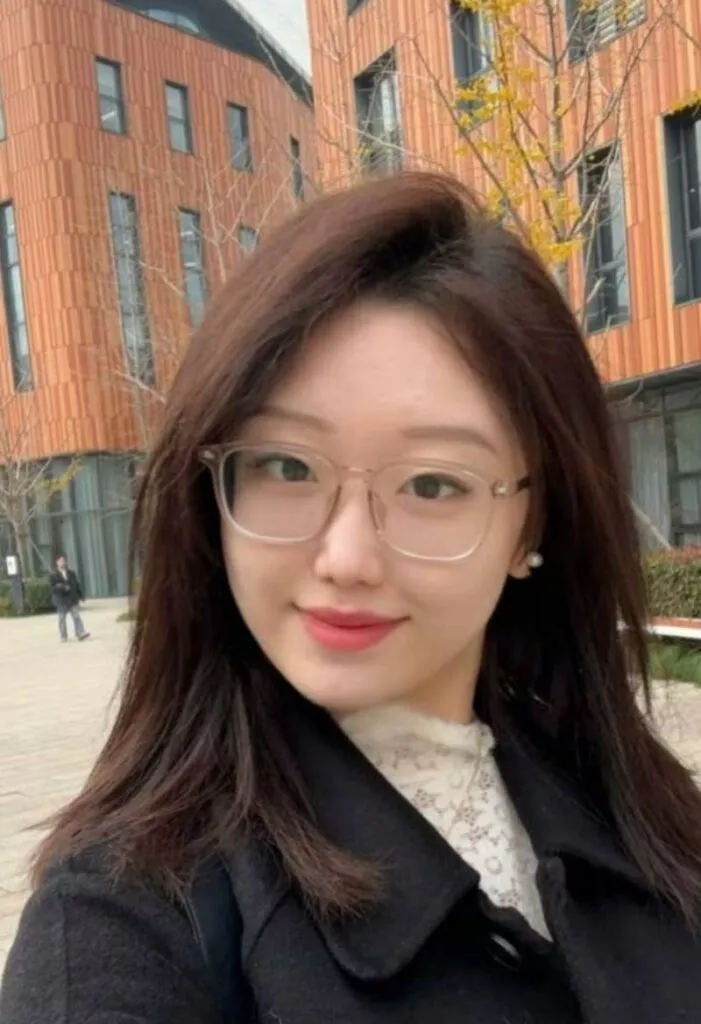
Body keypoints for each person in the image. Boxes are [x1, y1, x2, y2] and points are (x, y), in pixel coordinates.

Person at [2, 173, 700, 1024]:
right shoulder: (127, 915)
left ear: (531, 522)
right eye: (287, 467)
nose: (345, 558)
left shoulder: (643, 814)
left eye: (433, 483)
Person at [48, 554, 90, 642]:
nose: (63, 563)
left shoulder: (71, 573)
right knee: (62, 618)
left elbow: (76, 584)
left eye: (64, 561)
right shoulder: (53, 575)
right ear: (57, 563)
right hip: (61, 600)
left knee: (76, 616)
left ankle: (80, 633)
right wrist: (62, 588)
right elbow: (53, 588)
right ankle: (63, 636)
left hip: (71, 599)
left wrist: (81, 595)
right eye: (61, 561)